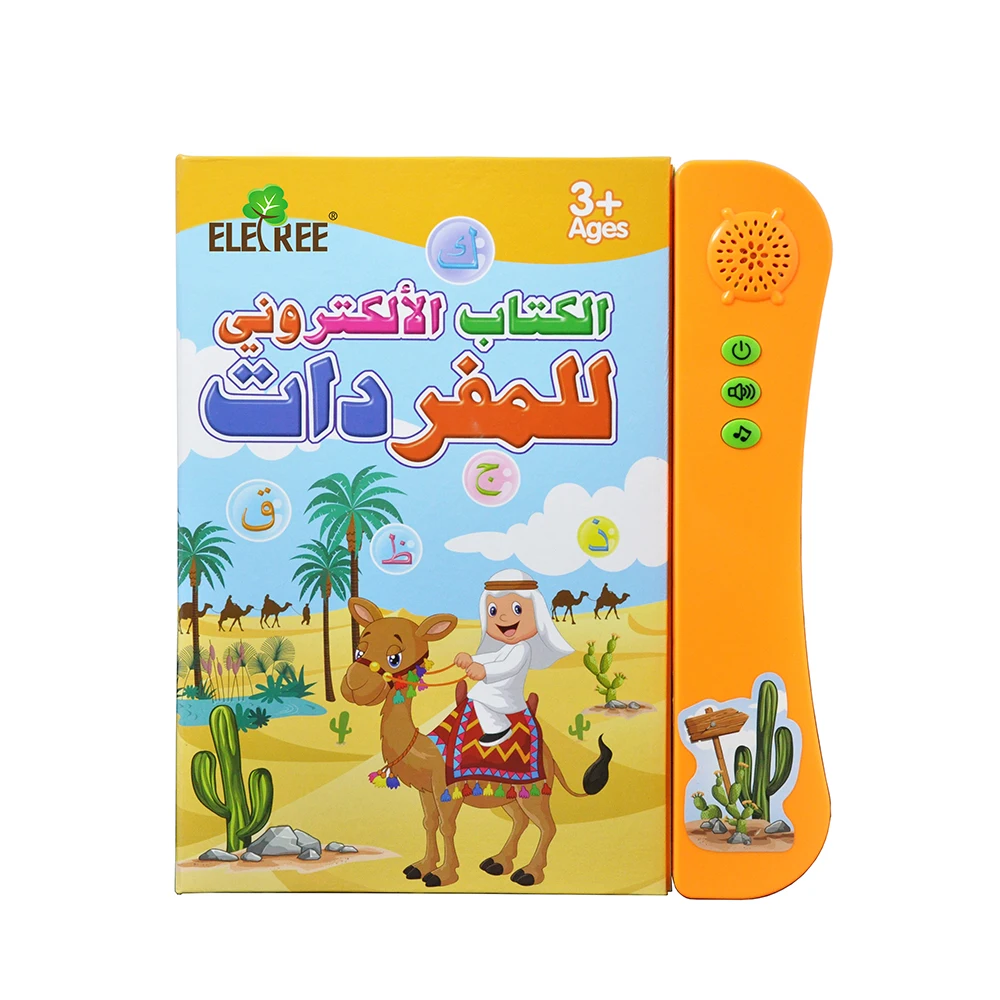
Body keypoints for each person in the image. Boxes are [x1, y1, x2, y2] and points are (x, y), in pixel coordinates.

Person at [455, 568, 574, 747]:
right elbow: (494, 657)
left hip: (506, 695)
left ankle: (498, 728)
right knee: (478, 694)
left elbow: (508, 666)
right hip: (498, 690)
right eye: (493, 611)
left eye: (517, 609)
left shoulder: (522, 648)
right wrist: (471, 659)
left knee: (480, 695)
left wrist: (485, 671)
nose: (503, 617)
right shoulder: (508, 647)